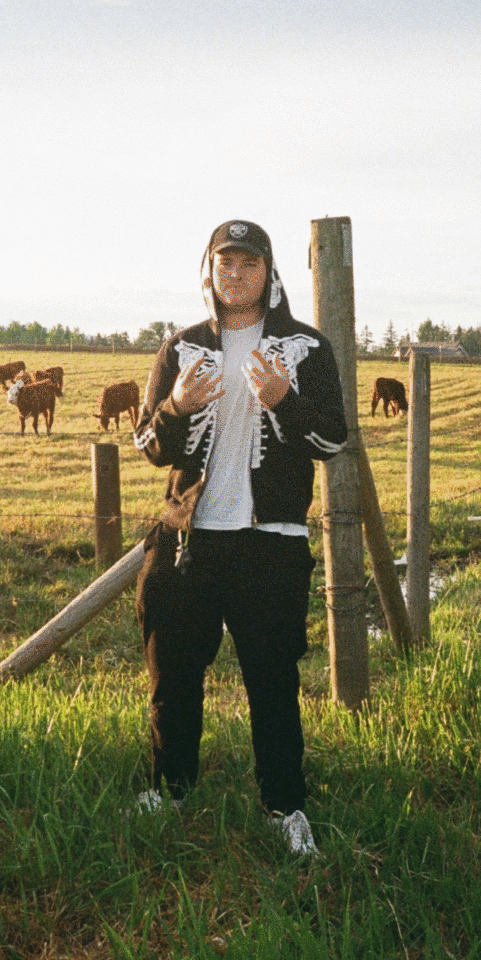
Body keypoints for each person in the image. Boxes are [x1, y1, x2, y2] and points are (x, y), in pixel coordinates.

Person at [132, 219, 349, 855]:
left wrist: (283, 400)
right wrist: (175, 407)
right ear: (209, 271)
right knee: (172, 675)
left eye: (248, 264)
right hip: (188, 541)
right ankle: (170, 790)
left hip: (270, 542)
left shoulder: (306, 347)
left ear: (268, 272)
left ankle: (285, 806)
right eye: (225, 263)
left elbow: (332, 440)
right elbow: (148, 445)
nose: (235, 275)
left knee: (273, 681)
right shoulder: (181, 347)